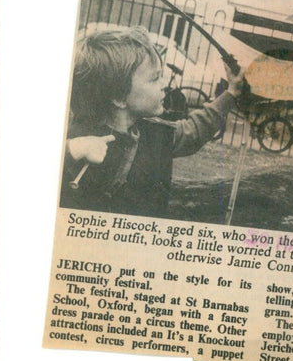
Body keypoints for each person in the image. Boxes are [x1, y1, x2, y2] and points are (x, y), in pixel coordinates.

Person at [61, 26, 244, 218]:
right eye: (155, 78)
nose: (164, 85)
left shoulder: (155, 133)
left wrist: (231, 93)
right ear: (119, 96)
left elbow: (193, 131)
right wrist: (71, 150)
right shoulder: (79, 140)